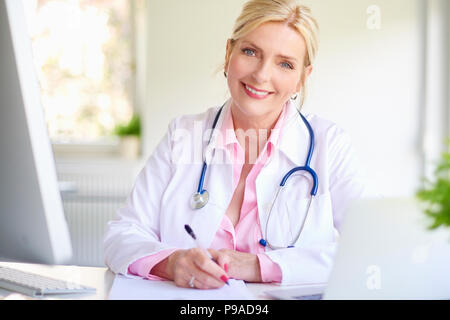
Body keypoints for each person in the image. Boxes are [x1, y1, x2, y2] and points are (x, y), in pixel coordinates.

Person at [104, 0, 365, 289]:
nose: (262, 75)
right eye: (251, 51)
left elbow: (370, 246)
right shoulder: (183, 135)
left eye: (285, 64)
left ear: (302, 78)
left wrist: (258, 265)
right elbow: (121, 236)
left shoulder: (329, 145)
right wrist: (171, 262)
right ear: (229, 52)